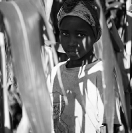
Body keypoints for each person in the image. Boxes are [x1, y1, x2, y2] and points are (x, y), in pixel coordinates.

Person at [47, 0, 121, 133]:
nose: (71, 42)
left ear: (95, 36)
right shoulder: (55, 72)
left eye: (80, 35)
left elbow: (110, 124)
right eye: (65, 33)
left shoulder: (101, 73)